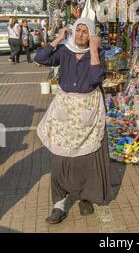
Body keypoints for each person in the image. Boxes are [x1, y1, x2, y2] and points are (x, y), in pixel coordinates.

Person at [34, 17, 111, 224]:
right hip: (64, 113)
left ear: (92, 34)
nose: (81, 35)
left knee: (85, 159)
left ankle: (85, 197)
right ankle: (59, 205)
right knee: (60, 159)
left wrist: (94, 50)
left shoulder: (98, 53)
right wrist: (57, 39)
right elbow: (40, 57)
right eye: (78, 31)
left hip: (88, 111)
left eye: (86, 32)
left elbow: (96, 78)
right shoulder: (64, 51)